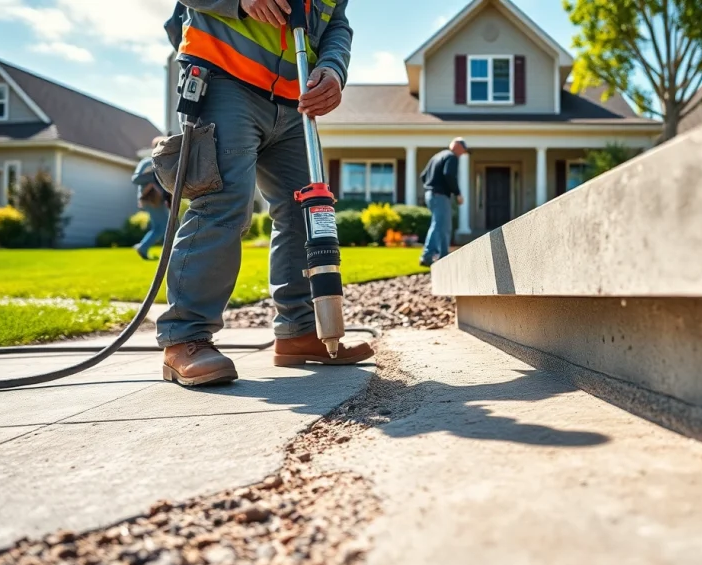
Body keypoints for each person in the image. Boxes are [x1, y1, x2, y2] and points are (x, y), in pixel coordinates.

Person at [156, 0, 372, 387]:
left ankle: (299, 332)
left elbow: (336, 22)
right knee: (223, 203)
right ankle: (184, 339)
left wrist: (334, 69)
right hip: (223, 78)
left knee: (304, 213)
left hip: (294, 100)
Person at [419, 138, 467, 267]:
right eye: (463, 150)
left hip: (431, 194)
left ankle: (444, 256)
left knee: (443, 226)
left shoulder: (437, 156)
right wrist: (457, 193)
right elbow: (449, 174)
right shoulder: (451, 157)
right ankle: (427, 255)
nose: (463, 153)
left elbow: (423, 176)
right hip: (440, 195)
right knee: (440, 225)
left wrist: (430, 187)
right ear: (457, 146)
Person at [131, 137, 171, 260]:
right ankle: (143, 247)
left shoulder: (165, 163)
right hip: (150, 199)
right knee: (164, 227)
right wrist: (155, 175)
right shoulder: (147, 162)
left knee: (159, 227)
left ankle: (143, 247)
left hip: (159, 200)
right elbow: (136, 179)